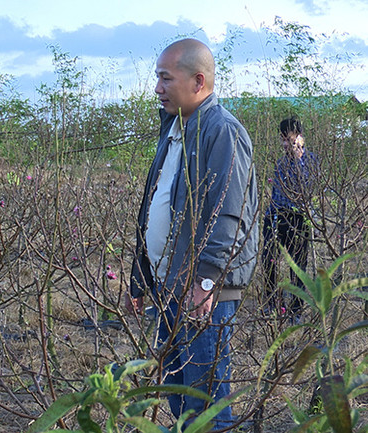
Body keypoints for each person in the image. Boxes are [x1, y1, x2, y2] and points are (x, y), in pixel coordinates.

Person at [126, 39, 258, 430]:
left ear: (198, 80)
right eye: (157, 79)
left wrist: (205, 280)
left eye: (166, 79)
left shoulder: (223, 133)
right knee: (178, 391)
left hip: (202, 292)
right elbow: (156, 205)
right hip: (171, 285)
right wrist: (140, 278)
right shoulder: (175, 129)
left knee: (207, 402)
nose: (157, 88)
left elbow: (227, 214)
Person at [261, 117, 318, 318]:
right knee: (268, 260)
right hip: (276, 217)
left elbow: (306, 187)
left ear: (300, 138)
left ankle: (295, 310)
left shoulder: (310, 161)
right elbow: (276, 192)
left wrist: (298, 158)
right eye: (283, 140)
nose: (285, 144)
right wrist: (270, 218)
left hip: (298, 218)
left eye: (290, 139)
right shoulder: (281, 162)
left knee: (298, 268)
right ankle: (270, 303)